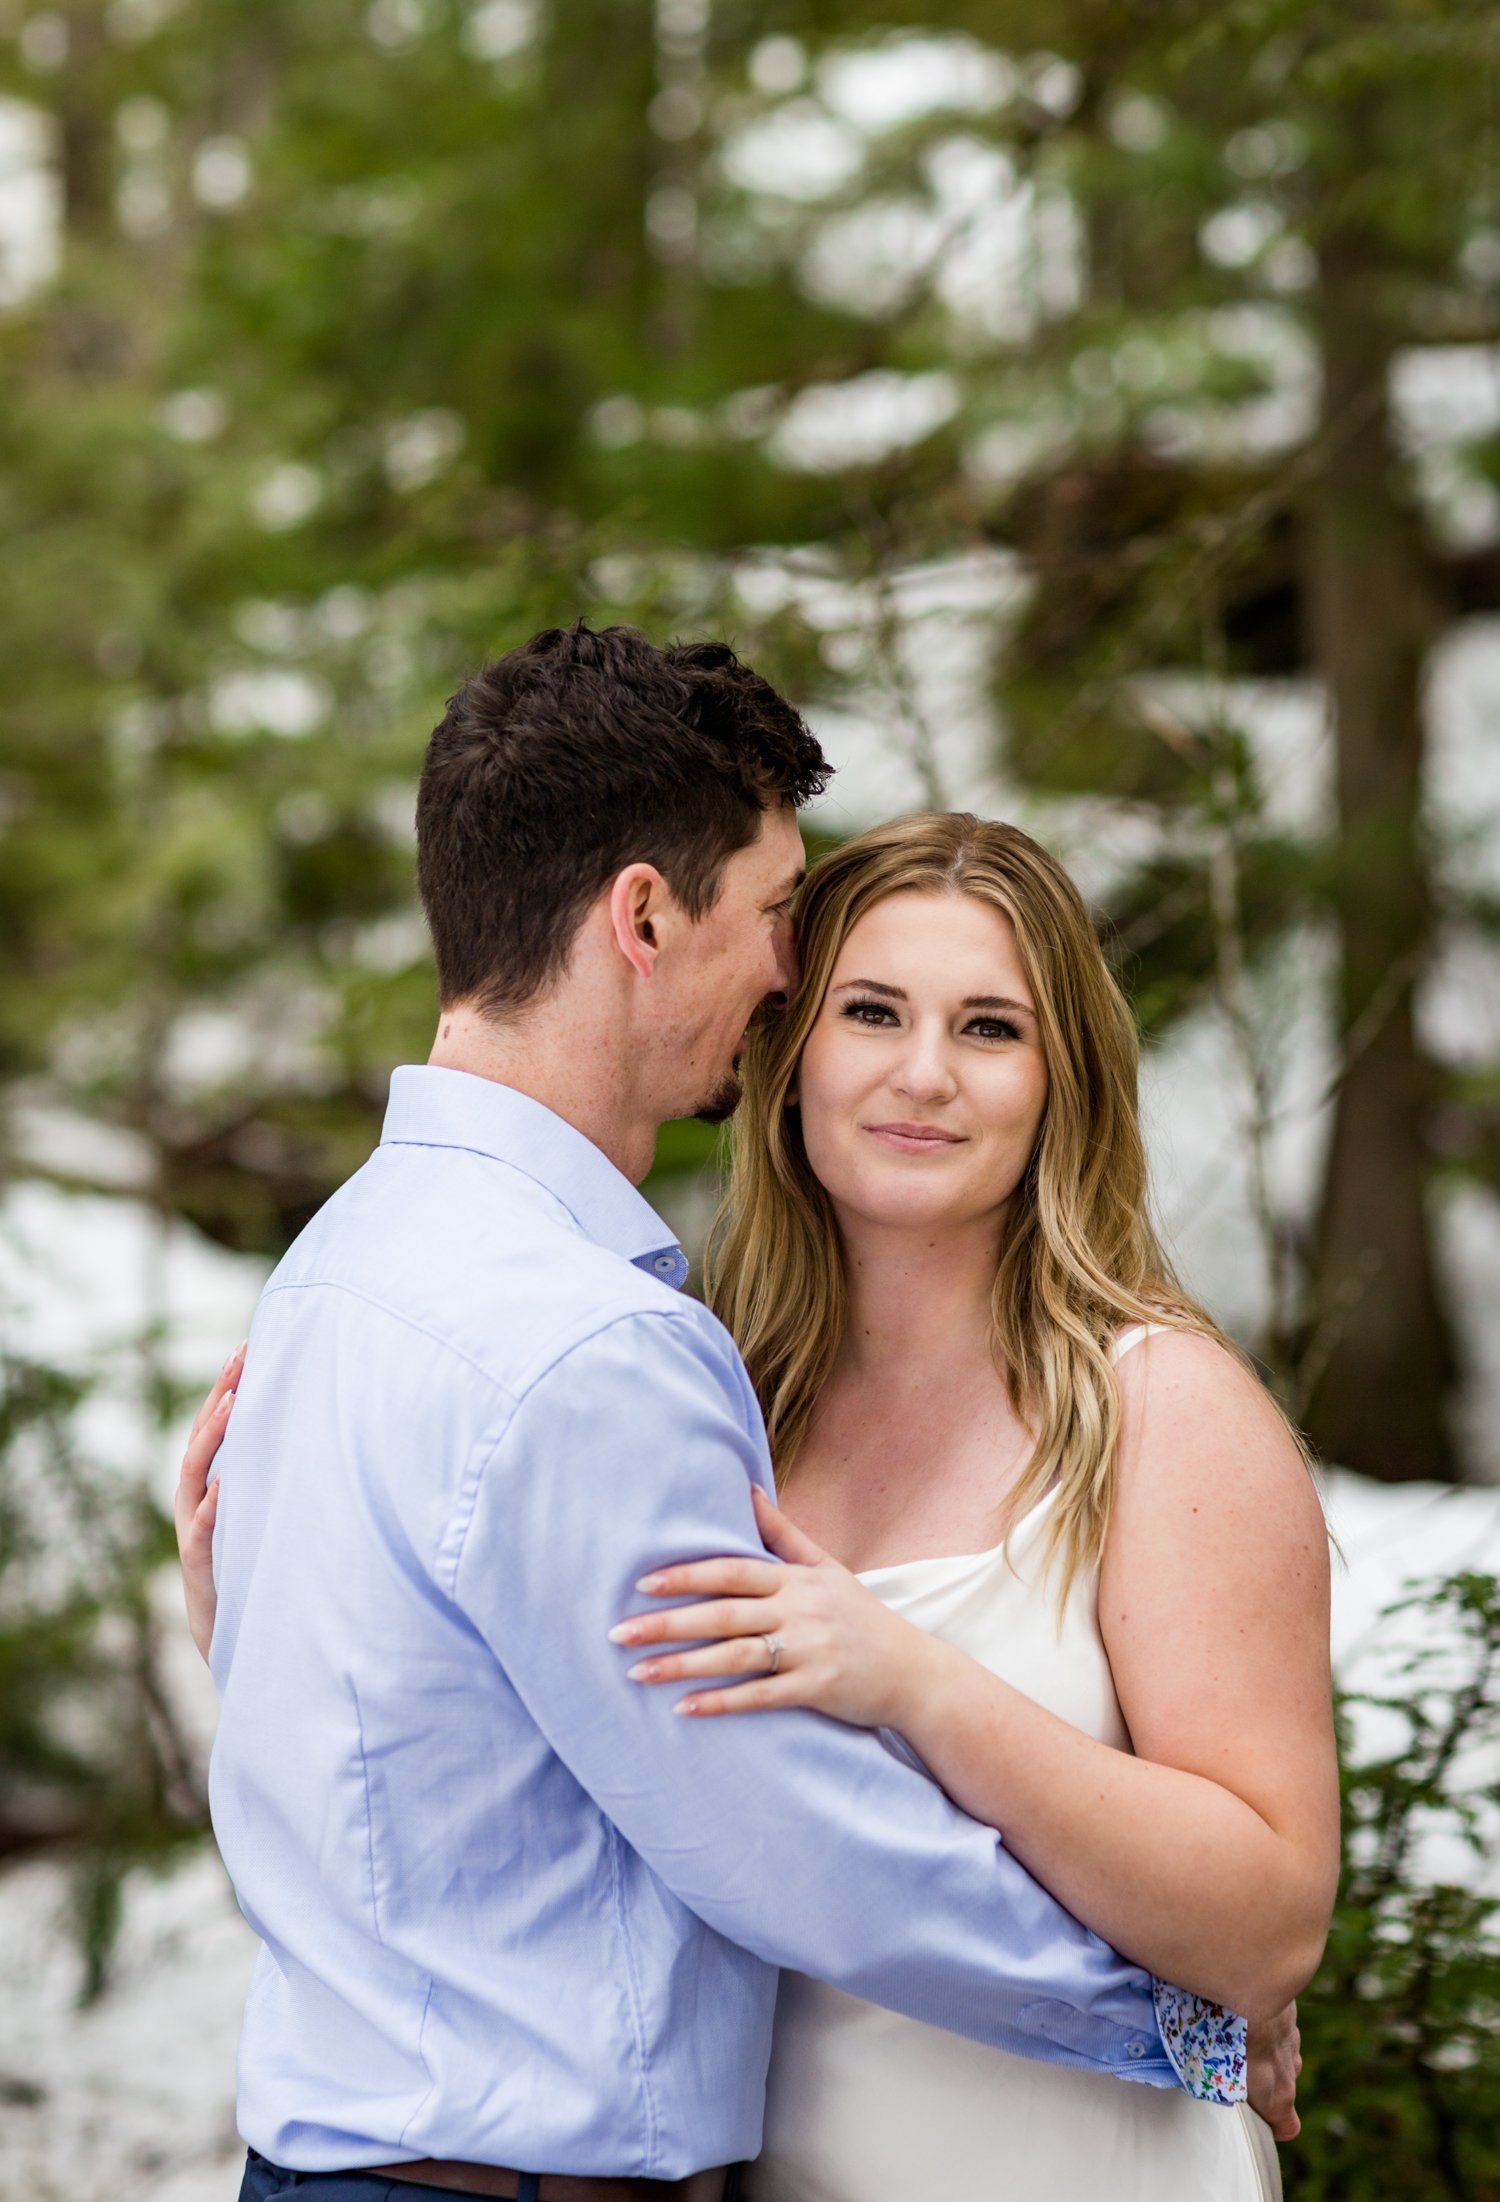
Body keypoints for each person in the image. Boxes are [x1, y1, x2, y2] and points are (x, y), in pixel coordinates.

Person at [176, 623, 1301, 2202]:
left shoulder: (338, 1271)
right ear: (646, 913)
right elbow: (787, 1838)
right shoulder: (621, 1352)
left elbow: (461, 1756)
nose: (779, 974)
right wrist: (1161, 2021)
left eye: (990, 1024)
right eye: (803, 944)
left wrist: (258, 1624)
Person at [603, 812, 1340, 2200]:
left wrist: (918, 1685)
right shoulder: (717, 1408)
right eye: (872, 1010)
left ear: (1061, 1081)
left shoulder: (1158, 1410)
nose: (924, 1074)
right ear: (791, 1051)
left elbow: (1264, 1928)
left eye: (991, 1028)